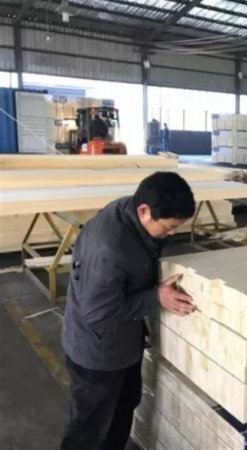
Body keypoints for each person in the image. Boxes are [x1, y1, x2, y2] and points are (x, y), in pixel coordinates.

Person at [61, 172, 197, 450]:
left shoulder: (131, 211)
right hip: (97, 353)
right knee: (90, 428)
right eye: (170, 227)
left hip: (124, 342)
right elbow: (97, 312)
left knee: (123, 408)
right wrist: (156, 296)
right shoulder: (108, 249)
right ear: (144, 211)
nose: (173, 233)